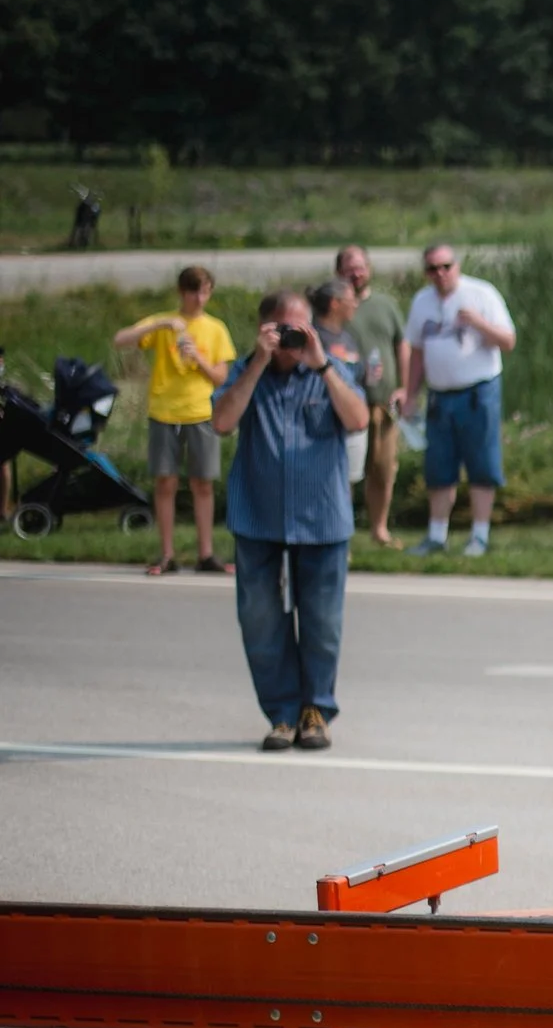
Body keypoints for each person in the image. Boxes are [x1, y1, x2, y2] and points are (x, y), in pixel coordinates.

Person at [210, 290, 368, 750]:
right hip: (257, 515)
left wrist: (320, 363)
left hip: (321, 518)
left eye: (300, 329)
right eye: (283, 329)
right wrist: (259, 362)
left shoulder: (331, 368)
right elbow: (220, 422)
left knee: (321, 622)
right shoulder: (245, 370)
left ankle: (314, 711)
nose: (292, 338)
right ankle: (281, 714)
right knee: (259, 619)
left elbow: (358, 419)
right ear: (263, 329)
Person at [112, 265, 235, 576]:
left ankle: (205, 553)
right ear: (182, 292)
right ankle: (167, 554)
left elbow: (221, 377)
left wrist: (199, 358)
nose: (199, 298)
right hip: (164, 411)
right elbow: (120, 339)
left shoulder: (215, 328)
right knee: (165, 481)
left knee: (202, 483)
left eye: (205, 291)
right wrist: (160, 325)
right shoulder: (165, 323)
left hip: (200, 412)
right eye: (193, 291)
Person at [404, 243, 515, 556]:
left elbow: (508, 341)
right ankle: (436, 535)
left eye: (446, 266)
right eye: (432, 268)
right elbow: (416, 351)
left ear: (457, 265)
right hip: (439, 394)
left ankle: (479, 535)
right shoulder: (422, 302)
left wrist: (478, 322)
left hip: (478, 391)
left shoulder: (481, 294)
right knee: (438, 464)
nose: (440, 274)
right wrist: (411, 393)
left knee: (481, 462)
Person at [337, 245, 411, 547]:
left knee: (382, 469)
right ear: (339, 271)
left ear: (368, 269)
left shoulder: (386, 304)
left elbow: (401, 345)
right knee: (344, 473)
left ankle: (379, 530)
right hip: (345, 403)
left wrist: (405, 386)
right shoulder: (334, 305)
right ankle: (342, 534)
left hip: (382, 402)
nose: (356, 273)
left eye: (360, 267)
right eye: (349, 268)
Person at [309, 280, 370, 499]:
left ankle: (342, 529)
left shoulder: (347, 337)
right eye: (350, 299)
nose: (355, 304)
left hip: (351, 416)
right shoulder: (315, 338)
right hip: (325, 422)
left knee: (348, 483)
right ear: (335, 303)